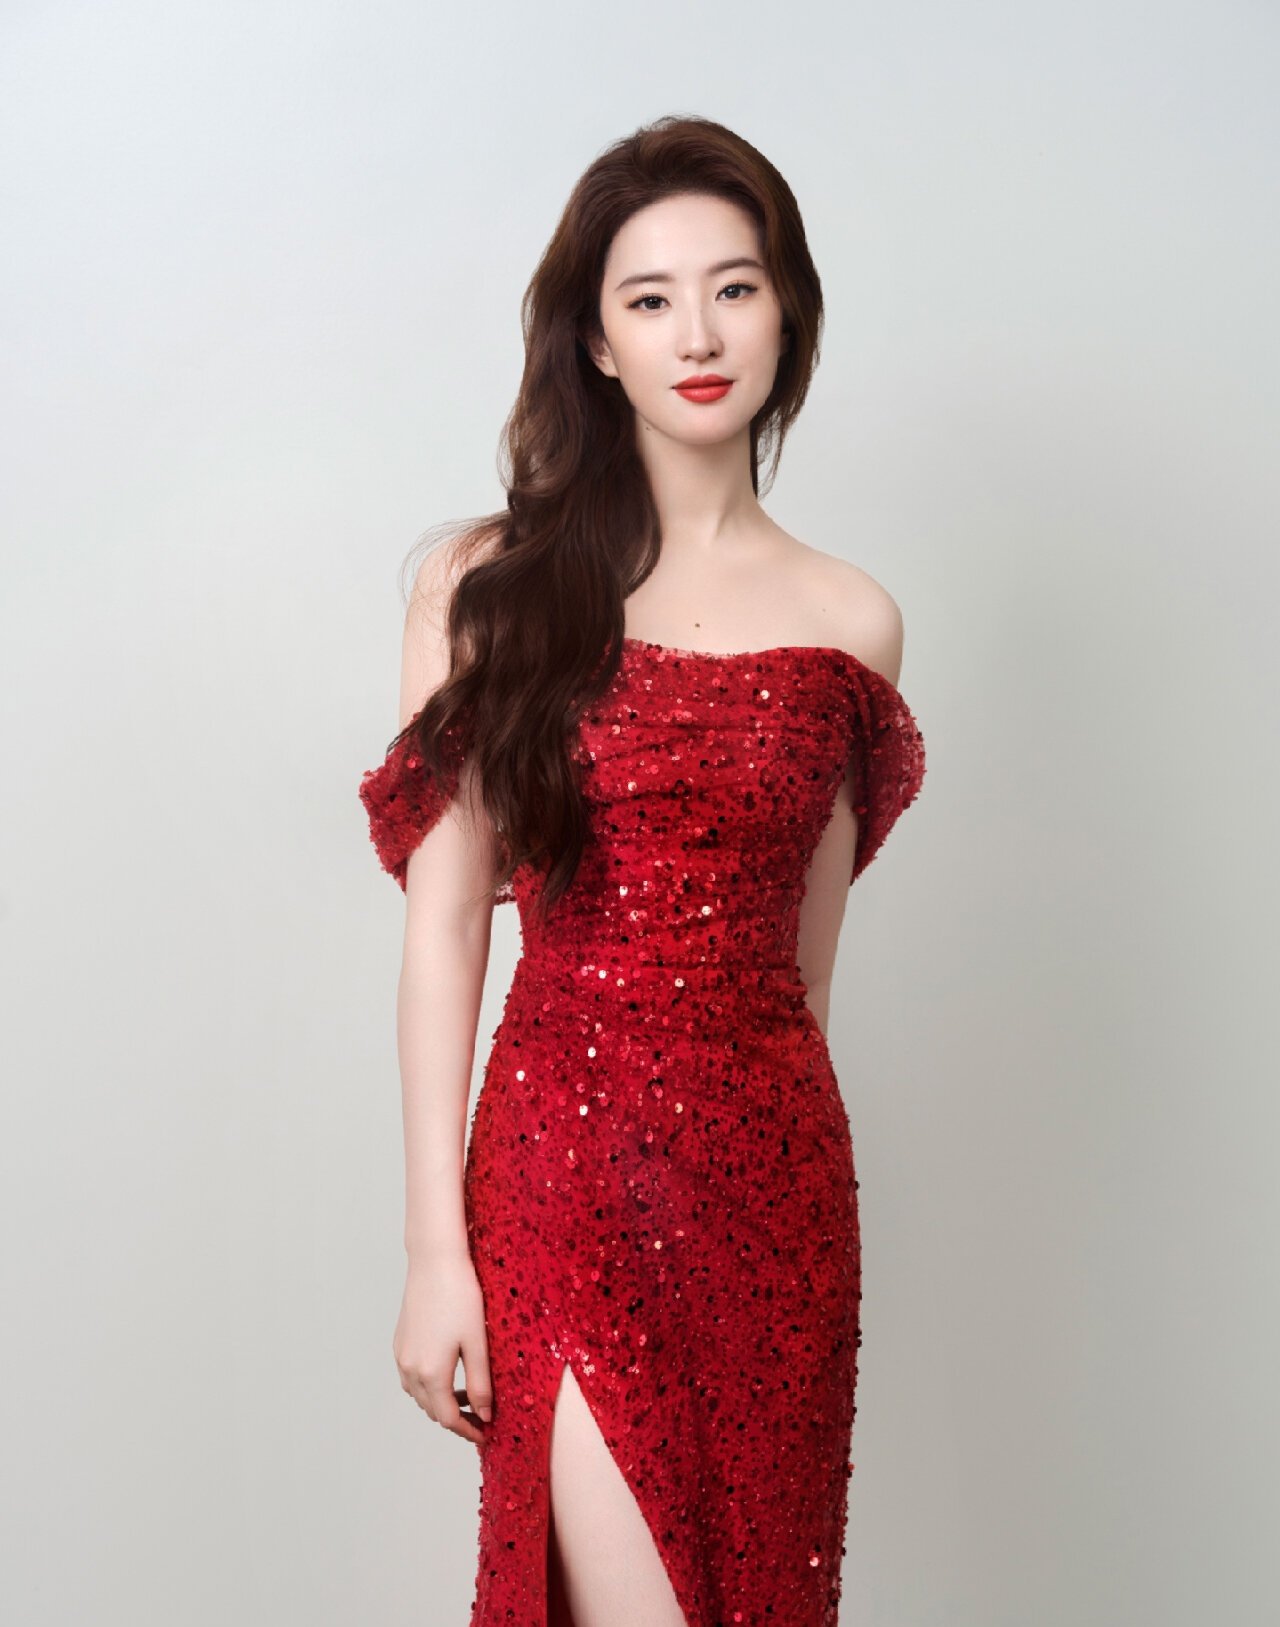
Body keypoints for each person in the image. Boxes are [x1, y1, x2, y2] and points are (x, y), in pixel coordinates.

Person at [358, 113, 927, 1627]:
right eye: (651, 298)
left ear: (788, 312)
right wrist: (435, 1252)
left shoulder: (851, 621)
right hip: (564, 1175)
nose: (699, 334)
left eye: (735, 288)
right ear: (598, 344)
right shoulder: (488, 589)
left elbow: (805, 979)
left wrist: (768, 1169)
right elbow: (444, 934)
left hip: (777, 1204)